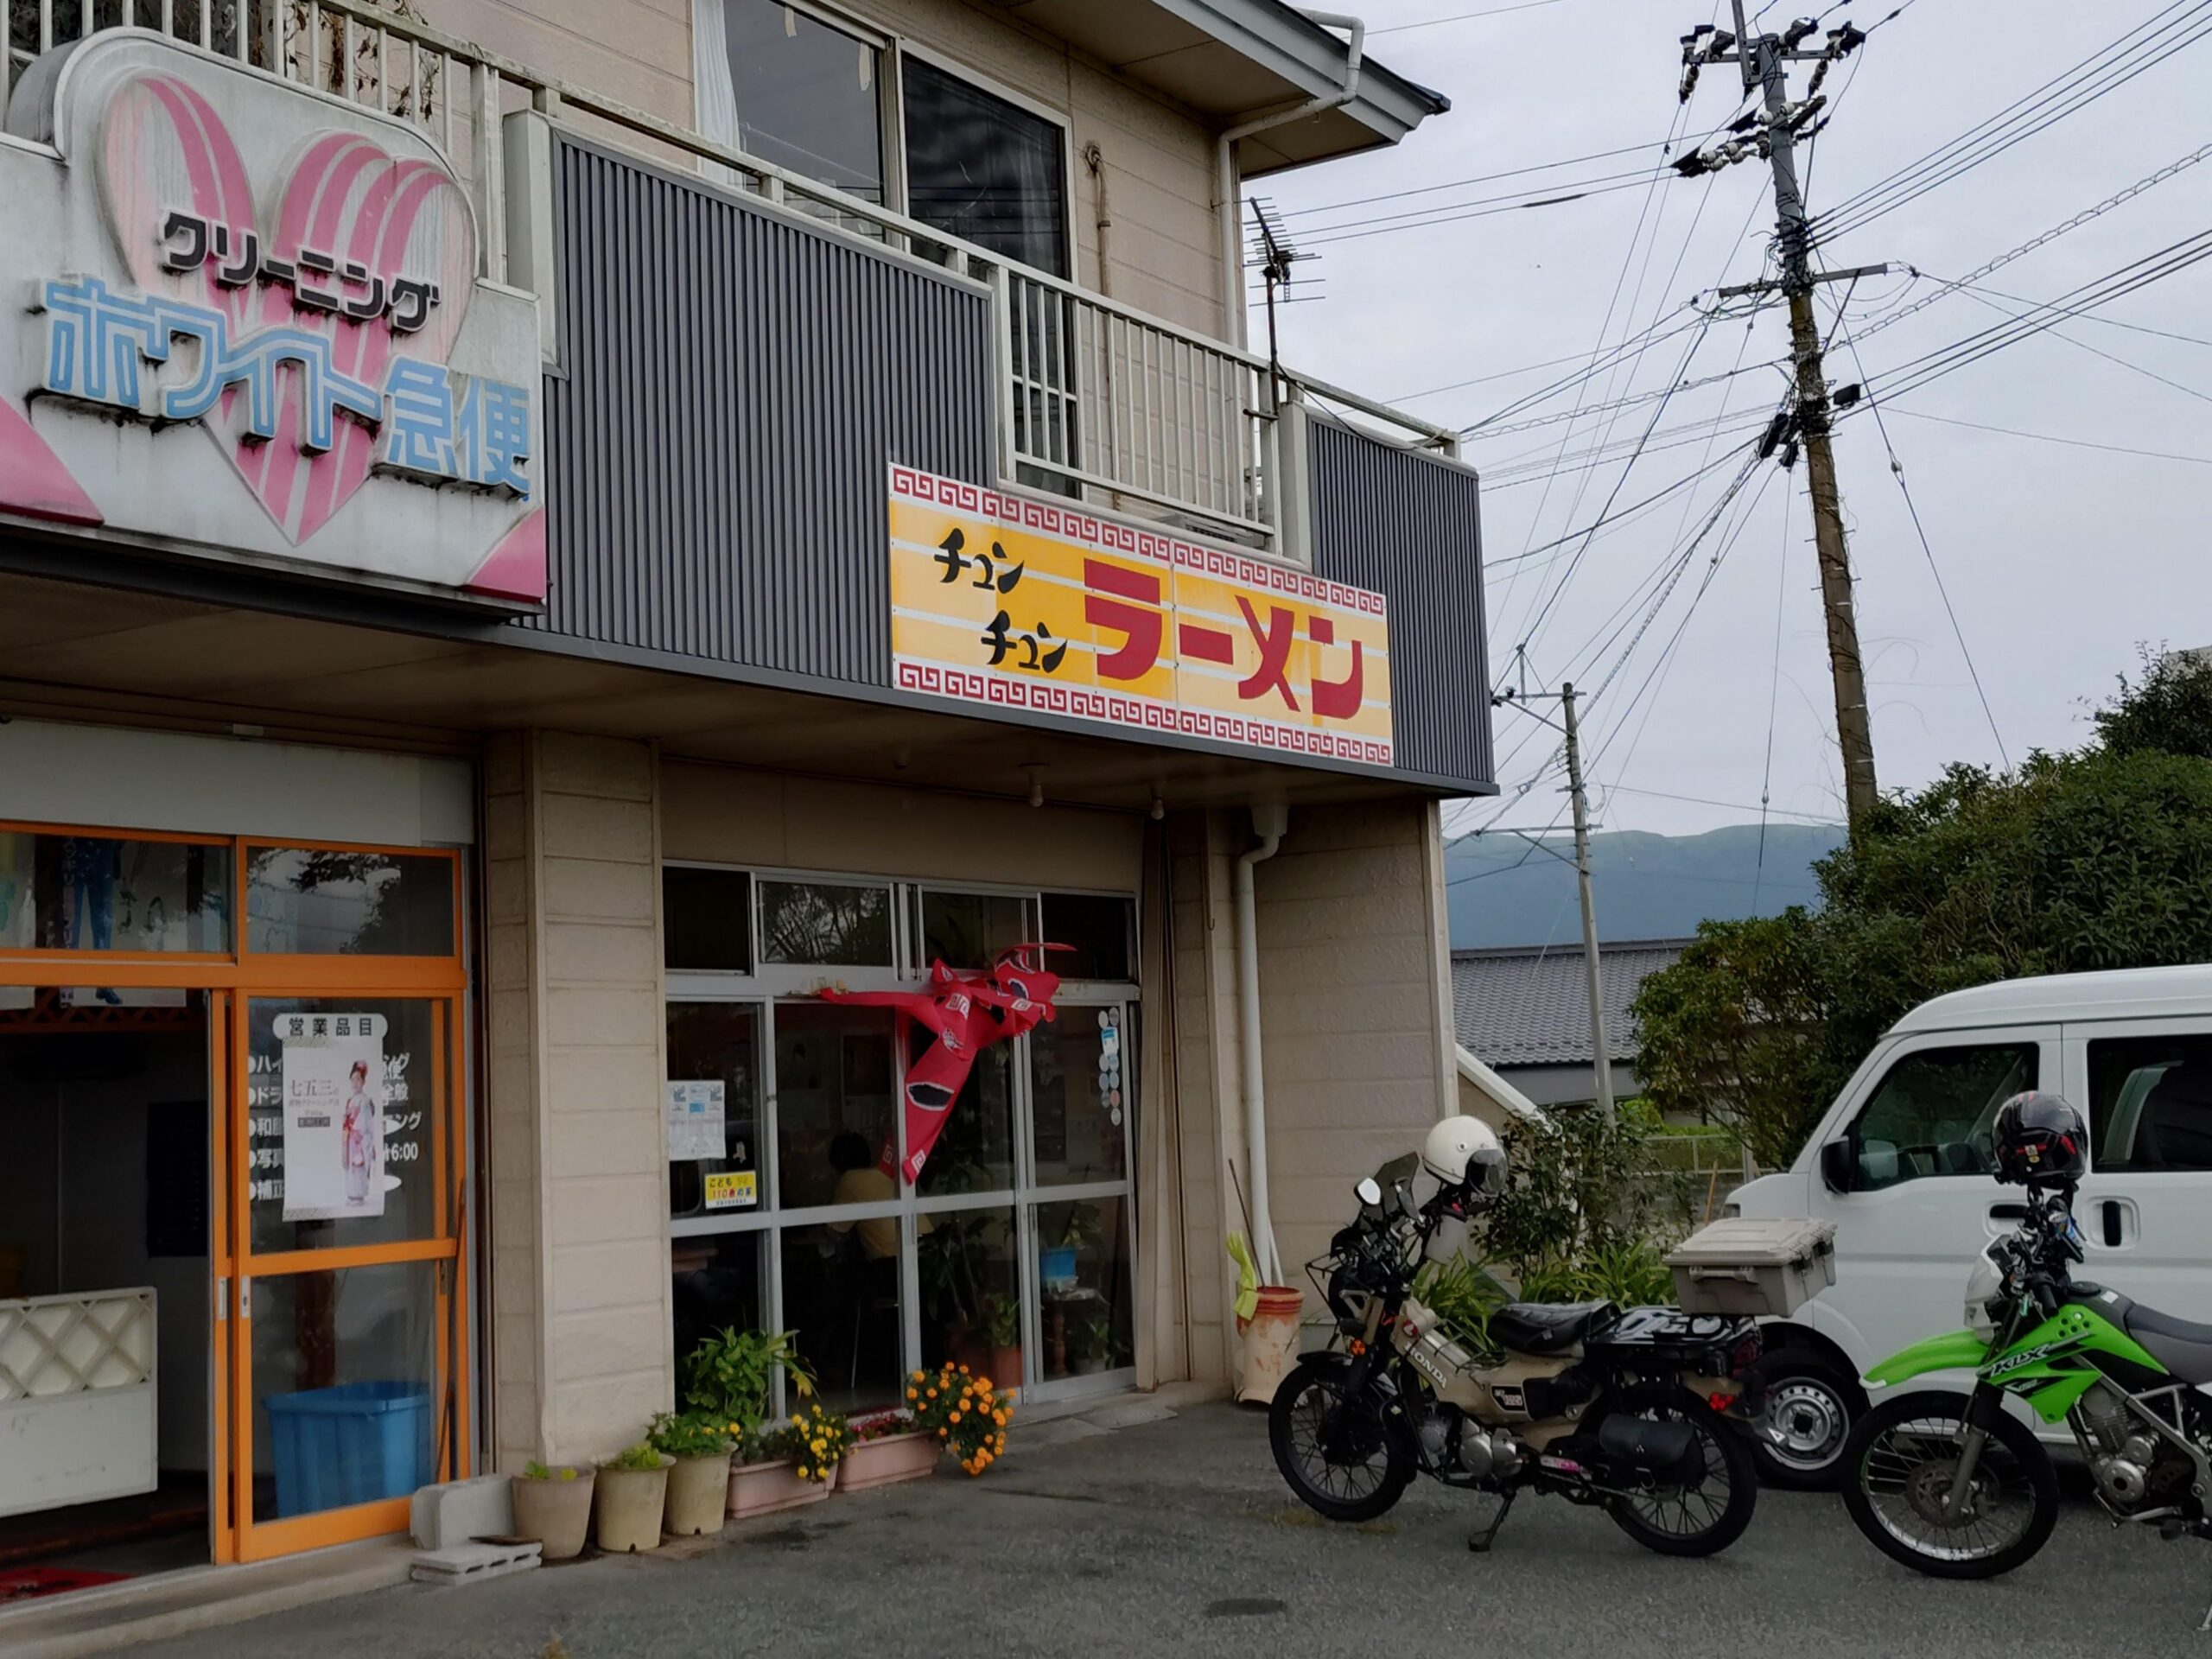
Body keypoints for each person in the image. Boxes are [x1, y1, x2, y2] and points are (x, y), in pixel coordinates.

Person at [342, 1059, 377, 1207]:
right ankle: (351, 1193)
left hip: (359, 1140)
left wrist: (357, 1132)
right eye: (353, 1079)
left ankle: (358, 1194)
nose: (355, 1082)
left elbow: (365, 1120)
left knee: (358, 1166)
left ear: (363, 1082)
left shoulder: (364, 1100)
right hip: (350, 1138)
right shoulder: (351, 1100)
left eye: (358, 1079)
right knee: (350, 1165)